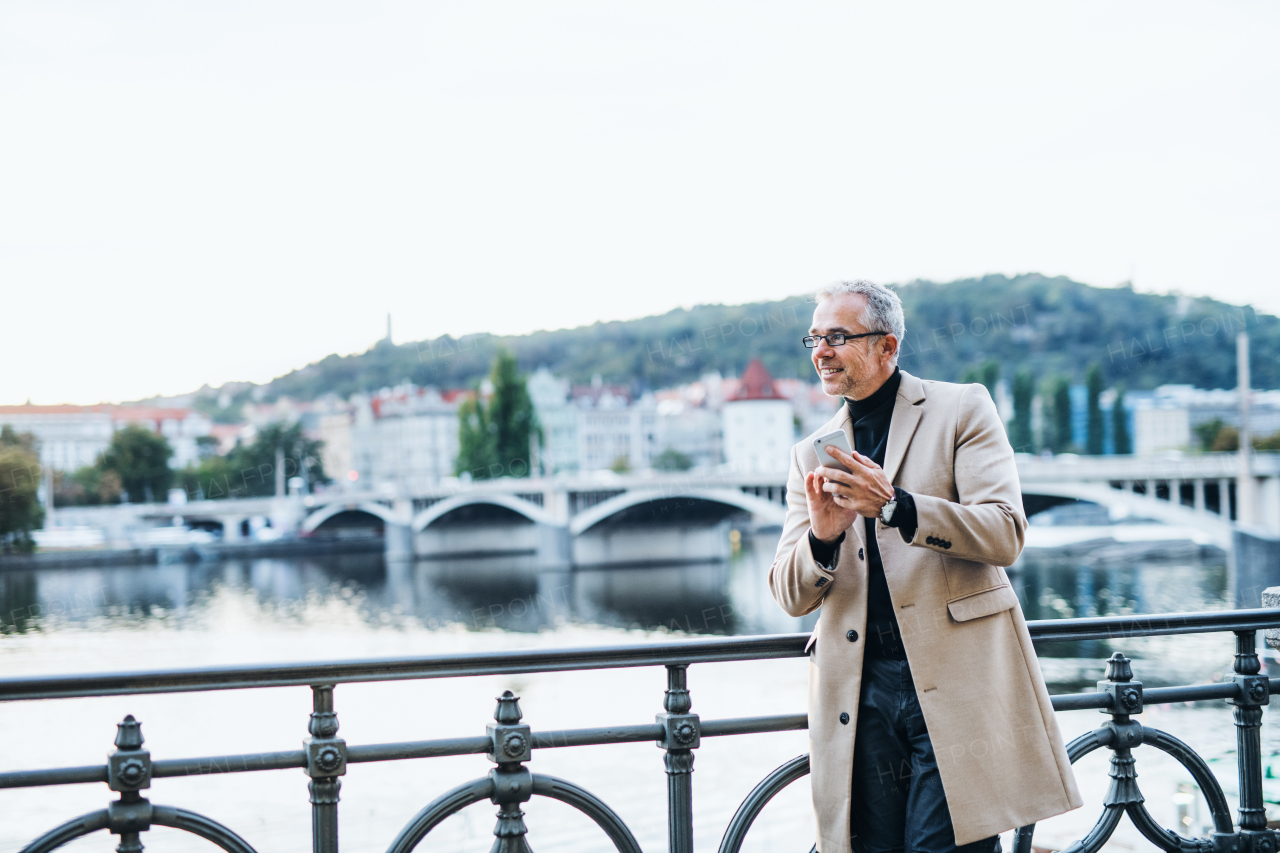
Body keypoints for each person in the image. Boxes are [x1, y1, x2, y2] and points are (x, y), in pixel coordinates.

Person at [769, 280, 1081, 853]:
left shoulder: (962, 407)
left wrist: (896, 507)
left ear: (887, 347)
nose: (821, 351)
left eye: (838, 336)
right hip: (859, 696)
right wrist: (822, 536)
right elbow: (790, 595)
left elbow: (1005, 530)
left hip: (956, 680)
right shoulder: (810, 451)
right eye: (815, 337)